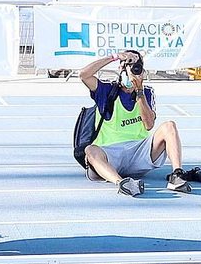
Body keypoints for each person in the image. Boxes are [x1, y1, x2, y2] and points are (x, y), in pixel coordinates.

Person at [79, 50, 194, 196]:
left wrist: (139, 91)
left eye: (137, 66)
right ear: (121, 69)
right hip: (111, 153)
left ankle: (177, 175)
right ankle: (123, 183)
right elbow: (83, 75)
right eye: (129, 65)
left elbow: (149, 125)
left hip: (139, 152)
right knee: (90, 150)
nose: (133, 69)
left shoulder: (146, 92)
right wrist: (114, 57)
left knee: (169, 126)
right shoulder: (106, 90)